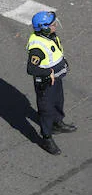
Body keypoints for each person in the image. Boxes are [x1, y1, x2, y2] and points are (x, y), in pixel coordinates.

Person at [26, 11, 75, 155]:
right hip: (46, 84)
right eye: (52, 24)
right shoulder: (37, 46)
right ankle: (47, 138)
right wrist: (48, 73)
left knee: (58, 101)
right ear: (44, 27)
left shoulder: (49, 35)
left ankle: (57, 123)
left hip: (57, 79)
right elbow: (31, 68)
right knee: (46, 110)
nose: (55, 26)